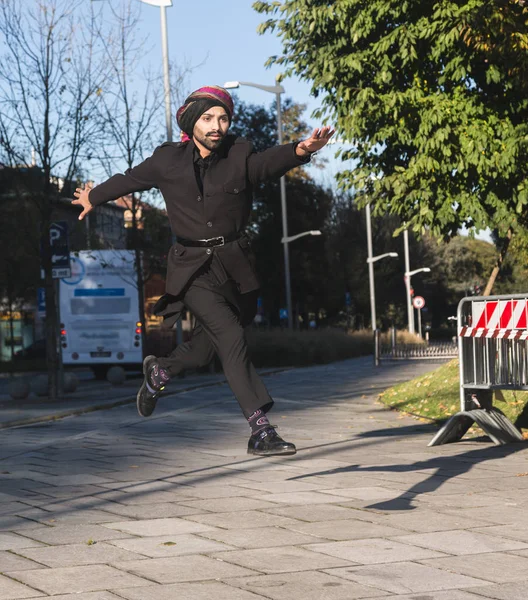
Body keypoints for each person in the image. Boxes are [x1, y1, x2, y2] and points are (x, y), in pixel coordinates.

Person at [72, 85, 334, 456]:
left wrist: (300, 150)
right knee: (231, 337)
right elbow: (129, 179)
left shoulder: (239, 154)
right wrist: (93, 196)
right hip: (192, 268)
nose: (217, 126)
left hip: (236, 267)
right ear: (192, 120)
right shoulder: (167, 161)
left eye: (223, 118)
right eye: (209, 118)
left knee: (206, 351)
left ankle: (159, 372)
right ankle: (261, 431)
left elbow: (265, 165)